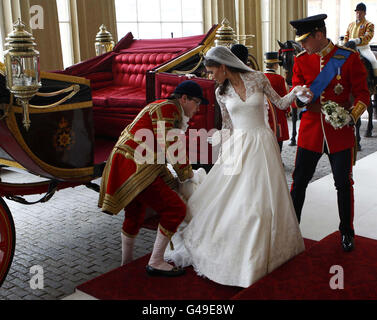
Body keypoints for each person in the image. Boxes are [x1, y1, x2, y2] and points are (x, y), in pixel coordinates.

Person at [164, 46, 308, 288]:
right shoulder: (221, 92)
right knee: (235, 199)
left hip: (262, 143)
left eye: (211, 71)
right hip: (238, 146)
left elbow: (281, 104)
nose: (210, 77)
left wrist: (295, 92)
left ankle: (266, 250)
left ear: (223, 66)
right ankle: (239, 248)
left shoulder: (258, 78)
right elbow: (228, 126)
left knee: (262, 201)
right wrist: (220, 149)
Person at [98, 80, 209, 277]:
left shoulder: (163, 107)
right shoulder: (168, 109)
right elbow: (172, 146)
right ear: (184, 99)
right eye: (197, 103)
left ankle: (126, 264)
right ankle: (156, 261)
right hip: (136, 166)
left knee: (135, 213)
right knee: (176, 209)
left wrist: (174, 178)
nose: (198, 108)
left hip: (131, 163)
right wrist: (188, 174)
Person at [289, 14, 370, 252]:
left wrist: (351, 116)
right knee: (299, 183)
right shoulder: (301, 61)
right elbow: (294, 98)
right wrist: (300, 98)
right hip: (311, 131)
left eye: (305, 40)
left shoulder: (349, 58)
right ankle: (293, 231)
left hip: (340, 133)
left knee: (343, 184)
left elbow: (363, 94)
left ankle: (347, 231)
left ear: (319, 34)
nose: (302, 45)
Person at [263, 51, 290, 153]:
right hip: (277, 111)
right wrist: (287, 110)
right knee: (278, 136)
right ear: (275, 65)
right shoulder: (279, 79)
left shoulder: (261, 76)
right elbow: (284, 96)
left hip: (263, 110)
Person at [343, 2, 377, 77]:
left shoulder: (369, 24)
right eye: (357, 13)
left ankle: (375, 81)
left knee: (373, 61)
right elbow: (346, 36)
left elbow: (369, 35)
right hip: (350, 47)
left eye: (360, 13)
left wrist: (357, 40)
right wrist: (344, 44)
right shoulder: (351, 25)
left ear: (365, 13)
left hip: (363, 48)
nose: (358, 15)